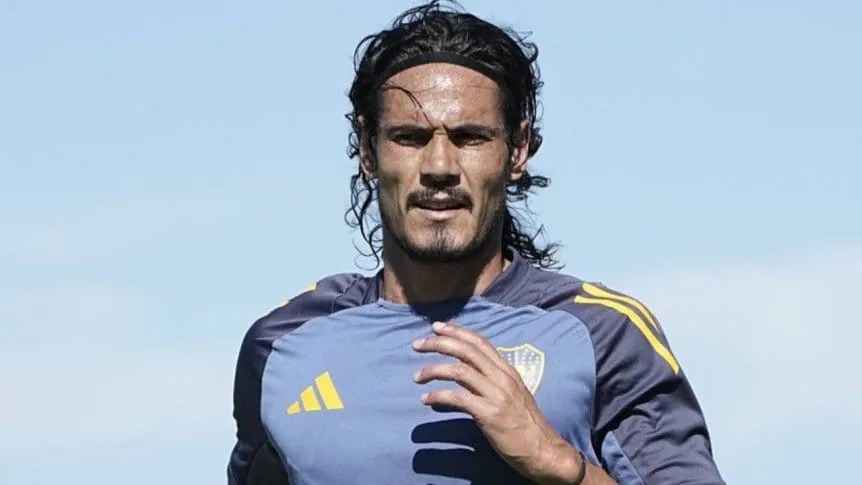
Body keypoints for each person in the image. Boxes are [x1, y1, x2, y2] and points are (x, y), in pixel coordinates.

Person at [227, 2, 724, 484]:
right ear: (367, 149)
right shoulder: (281, 345)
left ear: (518, 149)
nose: (440, 166)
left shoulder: (601, 334)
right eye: (409, 137)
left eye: (470, 138)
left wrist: (559, 465)